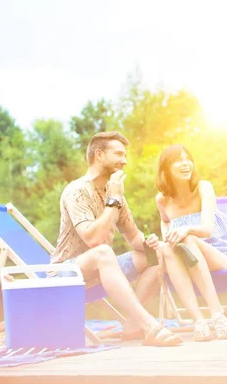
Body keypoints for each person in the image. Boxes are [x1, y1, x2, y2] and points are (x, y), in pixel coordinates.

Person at [51, 131, 182, 346]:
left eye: (125, 155)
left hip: (101, 270)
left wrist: (148, 242)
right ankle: (150, 325)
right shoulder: (76, 191)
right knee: (103, 252)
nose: (125, 161)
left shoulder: (115, 193)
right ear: (100, 155)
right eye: (119, 154)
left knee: (157, 255)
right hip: (66, 274)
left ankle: (133, 325)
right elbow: (93, 240)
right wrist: (113, 200)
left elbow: (133, 236)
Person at [155, 144, 227, 341]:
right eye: (178, 160)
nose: (185, 164)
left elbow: (207, 229)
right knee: (167, 249)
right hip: (186, 258)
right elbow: (166, 230)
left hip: (219, 254)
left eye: (188, 159)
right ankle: (199, 321)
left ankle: (218, 315)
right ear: (166, 168)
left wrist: (186, 230)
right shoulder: (162, 200)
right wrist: (160, 241)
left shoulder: (203, 187)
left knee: (187, 238)